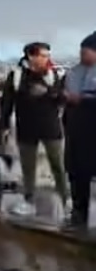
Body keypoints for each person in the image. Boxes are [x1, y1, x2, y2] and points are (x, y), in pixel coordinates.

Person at [0, 42, 68, 217]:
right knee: (28, 167)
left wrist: (49, 91)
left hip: (50, 126)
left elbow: (61, 100)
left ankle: (66, 200)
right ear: (31, 56)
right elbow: (7, 102)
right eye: (43, 55)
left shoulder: (54, 73)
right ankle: (28, 201)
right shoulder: (16, 75)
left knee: (58, 165)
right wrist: (4, 125)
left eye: (47, 55)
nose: (46, 59)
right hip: (26, 126)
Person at [61, 32, 96, 229]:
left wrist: (82, 99)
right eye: (81, 51)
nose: (82, 55)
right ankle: (78, 213)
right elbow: (64, 95)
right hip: (75, 130)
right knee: (76, 173)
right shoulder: (73, 72)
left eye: (86, 51)